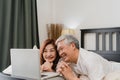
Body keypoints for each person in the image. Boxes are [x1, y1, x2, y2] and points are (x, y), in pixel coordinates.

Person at [55, 34, 120, 80]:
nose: (60, 53)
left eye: (61, 49)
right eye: (58, 51)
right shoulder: (66, 60)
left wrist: (72, 78)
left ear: (72, 46)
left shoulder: (90, 59)